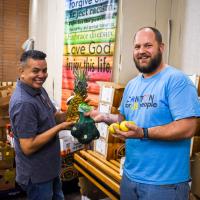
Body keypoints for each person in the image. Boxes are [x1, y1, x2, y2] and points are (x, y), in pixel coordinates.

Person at [86, 27, 200, 200]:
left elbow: (188, 127)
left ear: (161, 47)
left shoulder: (177, 81)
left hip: (164, 184)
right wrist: (105, 117)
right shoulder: (132, 85)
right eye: (137, 46)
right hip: (130, 177)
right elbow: (127, 121)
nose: (141, 51)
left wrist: (143, 133)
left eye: (148, 45)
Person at [9, 50, 74, 200]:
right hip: (37, 175)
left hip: (50, 168)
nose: (42, 75)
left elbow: (52, 117)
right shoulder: (23, 103)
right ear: (21, 71)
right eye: (36, 71)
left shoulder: (38, 89)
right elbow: (28, 146)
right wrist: (60, 128)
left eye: (44, 70)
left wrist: (72, 113)